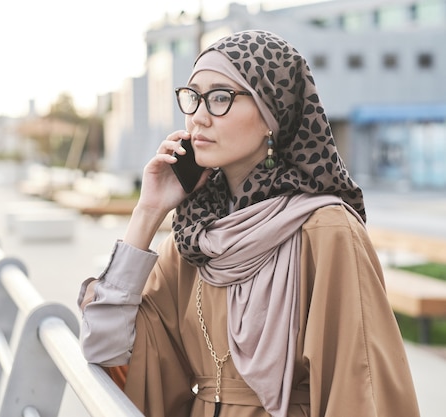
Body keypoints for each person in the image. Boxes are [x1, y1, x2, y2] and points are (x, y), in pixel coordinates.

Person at [77, 30, 420, 417]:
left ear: (272, 113)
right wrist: (148, 212)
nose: (198, 116)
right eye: (193, 97)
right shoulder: (192, 241)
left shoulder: (325, 231)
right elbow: (104, 346)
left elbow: (361, 392)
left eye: (220, 97)